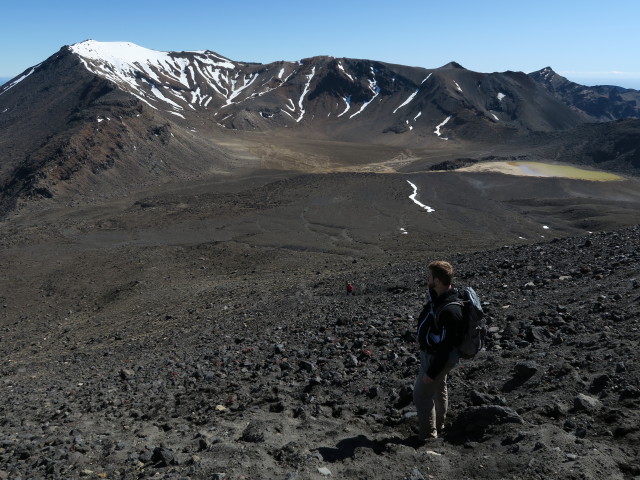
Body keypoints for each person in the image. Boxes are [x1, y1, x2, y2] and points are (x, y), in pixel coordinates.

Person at [413, 260, 464, 442]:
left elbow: (445, 346)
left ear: (438, 280)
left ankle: (428, 436)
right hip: (438, 356)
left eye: (430, 276)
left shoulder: (450, 310)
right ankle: (439, 425)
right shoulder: (444, 297)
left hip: (437, 359)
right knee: (439, 387)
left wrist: (431, 371)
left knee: (421, 395)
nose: (427, 278)